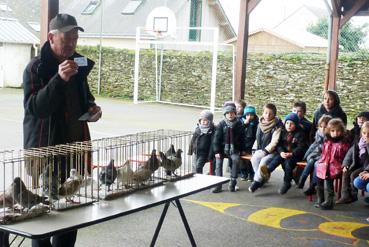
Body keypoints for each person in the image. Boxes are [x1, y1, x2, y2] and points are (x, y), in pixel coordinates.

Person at [22, 13, 101, 247]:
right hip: (45, 152)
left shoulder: (78, 64)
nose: (71, 44)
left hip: (74, 149)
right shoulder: (35, 68)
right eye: (66, 39)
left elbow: (85, 99)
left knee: (69, 215)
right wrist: (58, 78)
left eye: (75, 39)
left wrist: (92, 109)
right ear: (51, 38)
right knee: (46, 217)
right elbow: (36, 109)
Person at [257, 113, 307, 194]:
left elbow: (301, 147)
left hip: (295, 155)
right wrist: (281, 152)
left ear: (296, 124)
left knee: (288, 163)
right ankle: (268, 170)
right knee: (277, 158)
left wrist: (292, 154)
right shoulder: (283, 131)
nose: (289, 125)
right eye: (287, 123)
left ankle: (287, 183)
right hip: (284, 153)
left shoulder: (300, 133)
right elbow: (279, 144)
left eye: (291, 123)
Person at [315, 118, 350, 210]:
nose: (335, 133)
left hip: (336, 165)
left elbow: (345, 157)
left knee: (328, 177)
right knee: (319, 174)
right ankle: (320, 198)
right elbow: (323, 154)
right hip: (326, 163)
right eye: (333, 131)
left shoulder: (343, 143)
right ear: (329, 131)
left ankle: (329, 201)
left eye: (338, 131)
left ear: (342, 131)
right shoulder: (327, 141)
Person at [212, 101, 246, 193]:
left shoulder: (239, 124)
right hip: (222, 149)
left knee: (236, 160)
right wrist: (217, 151)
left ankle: (233, 182)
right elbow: (216, 139)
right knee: (218, 163)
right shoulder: (221, 124)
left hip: (234, 149)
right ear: (225, 114)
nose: (230, 115)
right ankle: (218, 184)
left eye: (232, 113)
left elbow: (242, 139)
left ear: (235, 113)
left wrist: (242, 150)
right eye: (228, 113)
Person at [249, 103, 283, 192]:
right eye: (265, 112)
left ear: (274, 114)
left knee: (263, 162)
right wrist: (254, 148)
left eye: (270, 113)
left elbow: (274, 141)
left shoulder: (277, 126)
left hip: (272, 152)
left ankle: (256, 182)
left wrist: (266, 151)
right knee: (254, 159)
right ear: (263, 113)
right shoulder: (260, 124)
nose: (267, 115)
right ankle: (262, 179)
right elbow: (257, 138)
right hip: (260, 149)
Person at [337, 118, 369, 204]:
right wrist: (345, 164)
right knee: (346, 171)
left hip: (365, 167)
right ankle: (345, 196)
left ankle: (353, 195)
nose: (366, 136)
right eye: (364, 133)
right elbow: (349, 153)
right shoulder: (359, 142)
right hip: (357, 164)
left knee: (353, 175)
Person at [298, 115, 332, 191]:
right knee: (311, 161)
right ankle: (302, 179)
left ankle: (313, 185)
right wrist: (306, 155)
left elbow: (326, 150)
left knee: (317, 164)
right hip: (317, 154)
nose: (322, 129)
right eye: (321, 126)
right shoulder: (318, 134)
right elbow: (313, 146)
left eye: (325, 127)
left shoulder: (330, 137)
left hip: (326, 157)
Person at [188, 110, 215, 174]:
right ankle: (195, 178)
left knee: (198, 166)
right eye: (201, 120)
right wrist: (190, 150)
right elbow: (193, 139)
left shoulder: (211, 130)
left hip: (204, 153)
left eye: (205, 120)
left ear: (210, 121)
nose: (203, 122)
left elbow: (212, 144)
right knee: (194, 166)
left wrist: (210, 155)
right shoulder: (198, 129)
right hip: (196, 151)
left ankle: (199, 178)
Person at [351, 121, 369, 205]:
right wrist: (367, 171)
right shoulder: (362, 142)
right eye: (364, 133)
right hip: (365, 168)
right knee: (357, 182)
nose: (366, 136)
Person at [240, 105, 259, 181]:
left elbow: (256, 135)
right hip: (243, 144)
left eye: (251, 115)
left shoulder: (256, 123)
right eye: (247, 115)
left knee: (250, 161)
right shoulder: (242, 121)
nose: (249, 117)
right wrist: (245, 124)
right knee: (242, 161)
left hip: (251, 145)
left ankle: (251, 174)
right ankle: (244, 173)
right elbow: (240, 132)